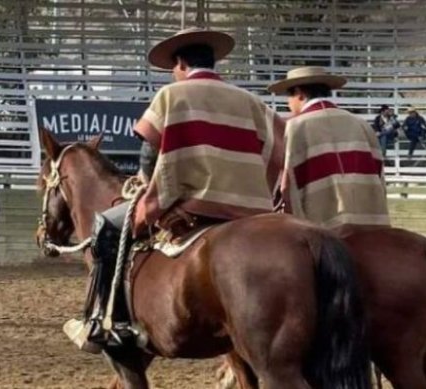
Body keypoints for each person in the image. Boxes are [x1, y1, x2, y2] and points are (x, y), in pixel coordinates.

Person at [66, 27, 284, 350]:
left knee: (105, 227)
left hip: (194, 206)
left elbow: (149, 150)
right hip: (252, 213)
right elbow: (279, 153)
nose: (172, 74)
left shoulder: (171, 96)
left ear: (182, 63)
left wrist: (145, 184)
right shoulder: (252, 102)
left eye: (173, 67)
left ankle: (107, 320)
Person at [268, 66, 389, 234]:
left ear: (299, 93)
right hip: (369, 222)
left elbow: (287, 184)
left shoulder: (296, 126)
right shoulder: (360, 123)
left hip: (321, 227)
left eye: (289, 96)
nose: (288, 103)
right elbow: (380, 176)